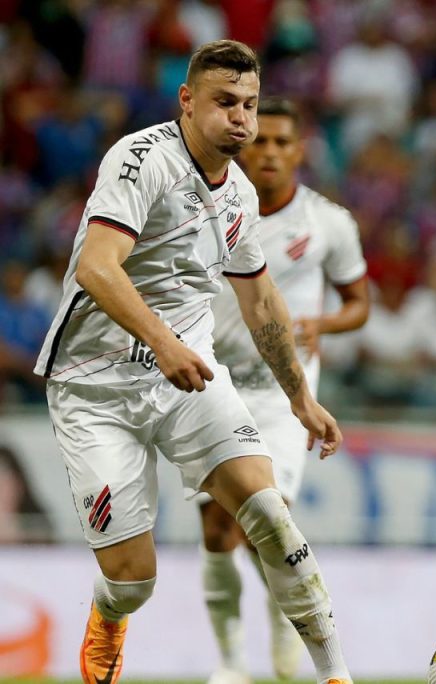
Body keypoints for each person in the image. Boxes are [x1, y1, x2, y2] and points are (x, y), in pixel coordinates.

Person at [33, 41, 352, 684]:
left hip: (190, 379)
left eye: (250, 105)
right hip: (94, 386)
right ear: (187, 101)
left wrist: (299, 398)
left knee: (271, 517)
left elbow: (261, 299)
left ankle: (335, 675)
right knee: (133, 579)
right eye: (225, 102)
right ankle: (109, 615)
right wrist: (163, 341)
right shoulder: (140, 158)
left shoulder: (237, 190)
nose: (241, 118)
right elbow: (97, 267)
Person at [200, 97, 369, 684]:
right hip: (211, 384)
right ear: (243, 147)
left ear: (299, 150)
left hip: (282, 394)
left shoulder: (330, 222)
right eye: (260, 141)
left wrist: (321, 325)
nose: (269, 152)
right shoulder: (209, 209)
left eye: (281, 142)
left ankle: (283, 632)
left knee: (270, 521)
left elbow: (359, 305)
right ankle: (228, 664)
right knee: (217, 530)